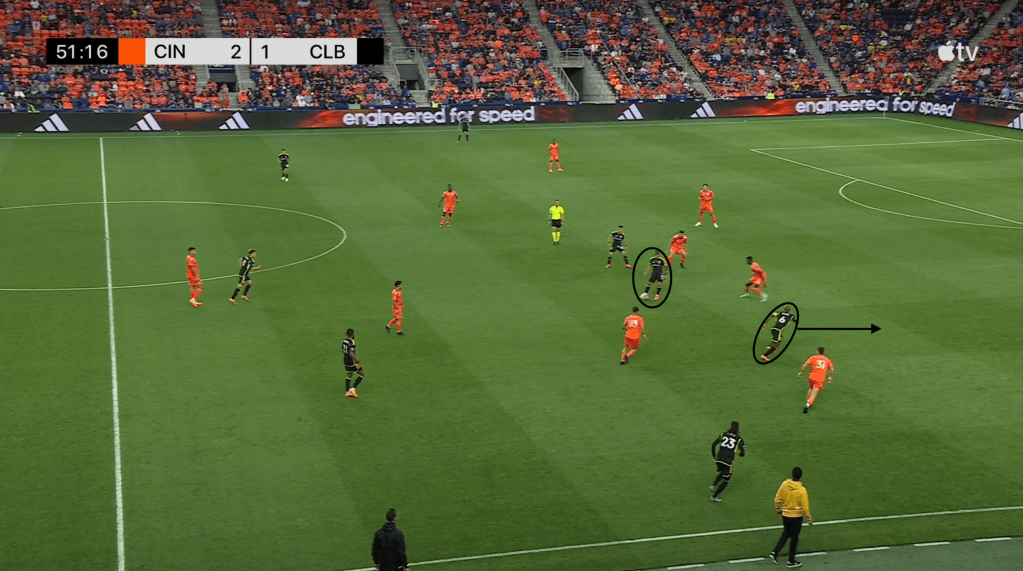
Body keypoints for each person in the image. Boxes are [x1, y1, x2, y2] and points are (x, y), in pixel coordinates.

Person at [770, 467, 812, 568]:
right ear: (800, 477)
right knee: (794, 538)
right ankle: (791, 560)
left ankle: (775, 552)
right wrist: (809, 517)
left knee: (786, 533)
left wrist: (779, 510)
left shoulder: (785, 484)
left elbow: (777, 499)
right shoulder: (802, 490)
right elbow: (805, 506)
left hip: (785, 516)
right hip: (796, 517)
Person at [710, 421, 745, 502]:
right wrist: (739, 454)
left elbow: (713, 444)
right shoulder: (739, 439)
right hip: (727, 462)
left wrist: (714, 456)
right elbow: (742, 453)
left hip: (719, 459)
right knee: (726, 480)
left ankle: (713, 486)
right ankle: (714, 497)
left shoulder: (723, 434)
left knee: (722, 472)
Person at [798, 347, 834, 413]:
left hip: (812, 377)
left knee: (811, 388)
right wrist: (830, 377)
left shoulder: (813, 357)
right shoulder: (827, 359)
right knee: (814, 393)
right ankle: (808, 404)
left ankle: (808, 400)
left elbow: (805, 365)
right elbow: (832, 369)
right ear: (823, 352)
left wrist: (801, 372)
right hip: (820, 379)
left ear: (817, 351)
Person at [343, 328, 365, 398]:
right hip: (351, 361)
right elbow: (351, 352)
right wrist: (356, 361)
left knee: (349, 375)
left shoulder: (345, 341)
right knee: (362, 374)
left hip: (345, 360)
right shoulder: (352, 341)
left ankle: (347, 392)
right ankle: (353, 389)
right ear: (352, 334)